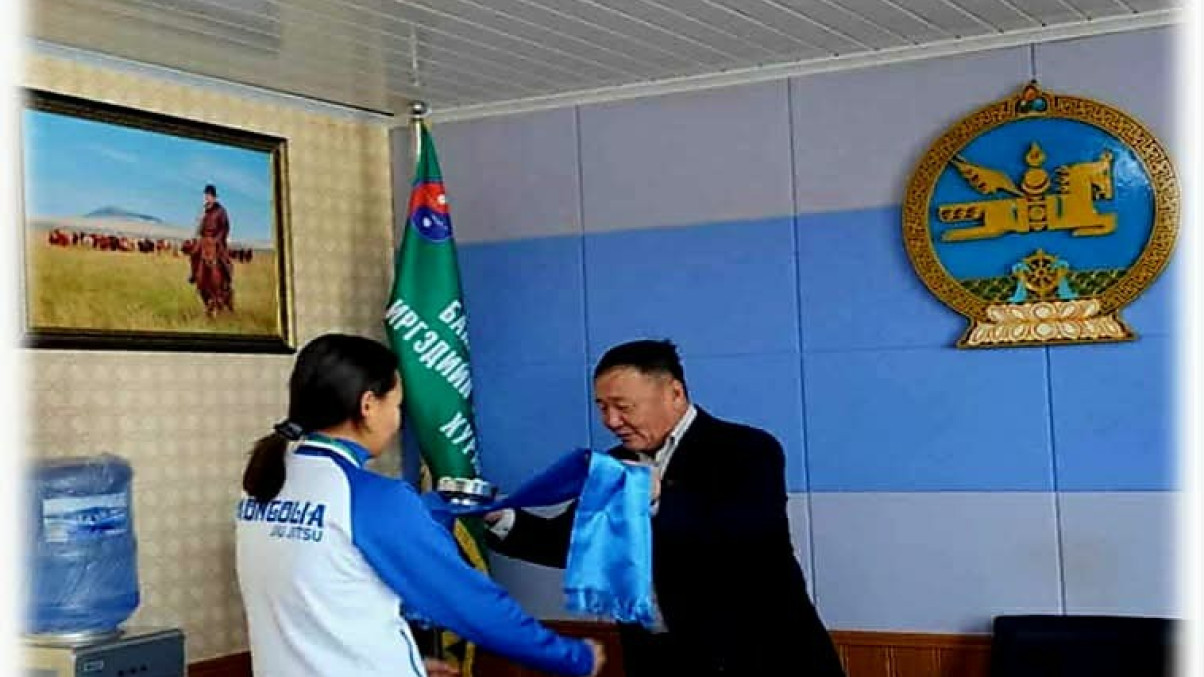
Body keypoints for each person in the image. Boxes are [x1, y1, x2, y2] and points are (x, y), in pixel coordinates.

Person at [235, 333, 605, 677]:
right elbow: (469, 603)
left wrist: (404, 659)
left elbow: (322, 601)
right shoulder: (372, 497)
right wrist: (573, 657)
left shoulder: (261, 486)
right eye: (397, 405)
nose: (398, 420)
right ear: (368, 405)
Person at [486, 339, 845, 676]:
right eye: (602, 407)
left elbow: (748, 531)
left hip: (761, 657)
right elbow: (569, 541)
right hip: (660, 659)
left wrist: (657, 500)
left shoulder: (748, 449)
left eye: (623, 407)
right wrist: (499, 516)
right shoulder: (615, 464)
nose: (611, 421)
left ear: (674, 393)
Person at [189, 184, 233, 312]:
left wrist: (218, 239)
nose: (207, 197)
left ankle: (226, 281)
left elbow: (225, 227)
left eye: (209, 195)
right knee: (194, 253)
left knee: (223, 259)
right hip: (204, 239)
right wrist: (195, 237)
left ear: (214, 197)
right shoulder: (203, 210)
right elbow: (198, 225)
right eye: (206, 195)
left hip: (217, 239)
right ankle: (194, 275)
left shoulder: (221, 211)